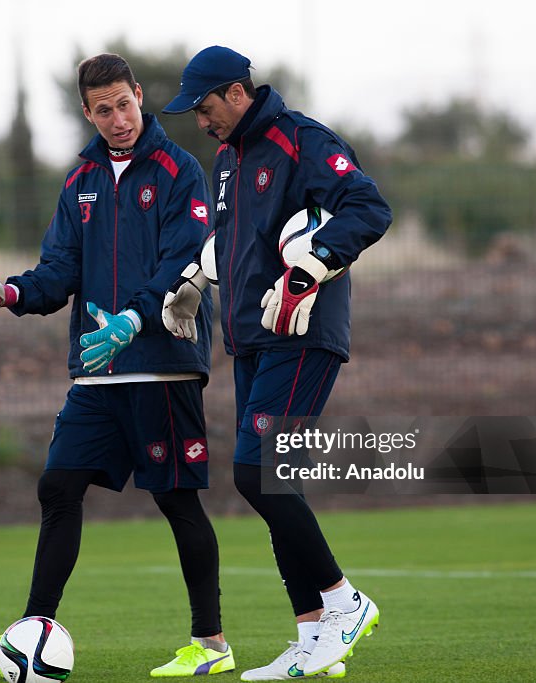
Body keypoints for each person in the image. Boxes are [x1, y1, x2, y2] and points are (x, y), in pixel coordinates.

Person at [0, 53, 235, 678]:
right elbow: (60, 270)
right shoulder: (80, 180)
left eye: (124, 104)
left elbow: (180, 264)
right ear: (88, 112)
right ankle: (28, 633)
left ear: (139, 96)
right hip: (98, 372)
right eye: (102, 110)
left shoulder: (180, 171)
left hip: (162, 364)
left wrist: (133, 320)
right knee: (57, 487)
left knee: (177, 501)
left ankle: (211, 645)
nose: (117, 119)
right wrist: (10, 293)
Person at [160, 46, 392, 681]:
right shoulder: (228, 159)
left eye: (205, 108)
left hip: (303, 333)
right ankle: (313, 635)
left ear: (237, 94)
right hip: (250, 339)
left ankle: (345, 602)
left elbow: (368, 210)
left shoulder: (303, 139)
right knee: (269, 478)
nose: (200, 122)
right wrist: (192, 281)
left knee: (257, 473)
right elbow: (238, 241)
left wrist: (312, 269)